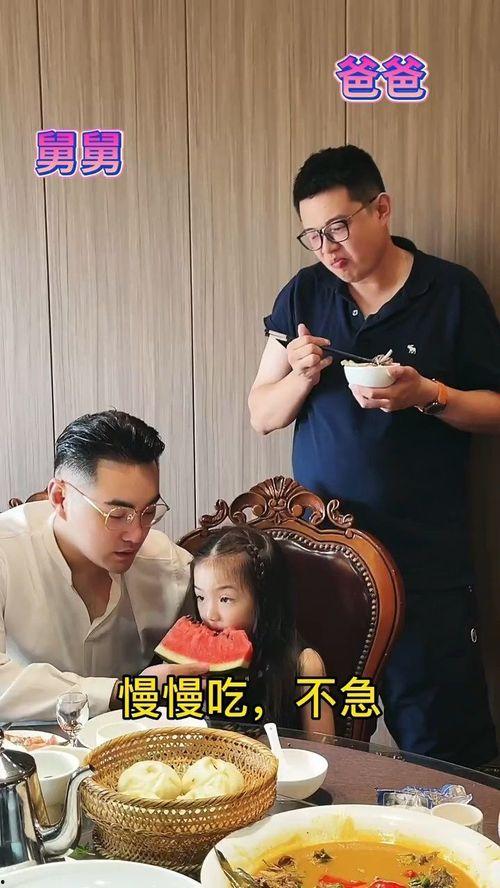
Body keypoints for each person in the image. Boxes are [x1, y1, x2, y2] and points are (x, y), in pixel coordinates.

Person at [248, 144, 500, 767]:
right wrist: (301, 375)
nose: (328, 249)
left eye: (339, 227)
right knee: (322, 745)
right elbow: (262, 413)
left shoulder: (451, 291)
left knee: (445, 749)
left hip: (424, 562)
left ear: (381, 208)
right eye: (313, 236)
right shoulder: (305, 295)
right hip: (324, 561)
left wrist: (428, 395)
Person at [0, 409, 207, 722]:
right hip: (28, 745)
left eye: (148, 512)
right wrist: (122, 692)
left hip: (136, 745)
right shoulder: (7, 550)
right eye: (117, 515)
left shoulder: (168, 564)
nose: (136, 534)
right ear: (60, 498)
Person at [189, 525, 335, 736]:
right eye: (201, 597)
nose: (209, 614)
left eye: (225, 599)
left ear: (263, 599)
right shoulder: (194, 663)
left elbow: (323, 747)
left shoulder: (305, 664)